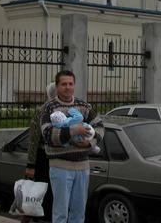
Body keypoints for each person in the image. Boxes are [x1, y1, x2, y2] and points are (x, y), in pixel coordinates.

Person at [41, 70, 103, 223]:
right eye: (63, 84)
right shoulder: (49, 107)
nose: (68, 87)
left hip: (83, 167)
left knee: (79, 212)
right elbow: (47, 135)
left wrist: (90, 142)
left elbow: (100, 126)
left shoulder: (84, 105)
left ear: (74, 85)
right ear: (57, 86)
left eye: (70, 84)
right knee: (61, 213)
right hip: (60, 167)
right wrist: (74, 130)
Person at [23, 82, 57, 223]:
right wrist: (31, 165)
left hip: (55, 159)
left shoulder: (63, 110)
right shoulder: (43, 111)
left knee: (49, 192)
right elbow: (34, 140)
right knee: (43, 192)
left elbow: (32, 140)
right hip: (45, 159)